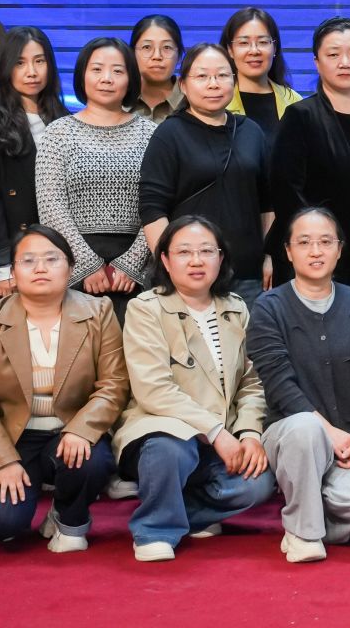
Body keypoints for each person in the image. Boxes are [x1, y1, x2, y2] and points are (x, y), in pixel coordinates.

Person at [112, 216, 273, 562]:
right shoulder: (146, 309)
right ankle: (154, 529)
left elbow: (251, 382)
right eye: (184, 252)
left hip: (222, 438)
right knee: (171, 449)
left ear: (221, 258)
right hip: (163, 433)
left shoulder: (236, 309)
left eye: (206, 251)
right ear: (165, 260)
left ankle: (182, 510)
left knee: (257, 483)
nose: (196, 261)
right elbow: (154, 389)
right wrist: (215, 432)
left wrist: (249, 433)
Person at [0, 224, 128, 553]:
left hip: (69, 432)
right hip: (12, 435)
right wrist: (3, 460)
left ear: (71, 267)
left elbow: (114, 384)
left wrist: (82, 429)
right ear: (14, 271)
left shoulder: (99, 312)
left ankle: (69, 515)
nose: (40, 268)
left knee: (91, 460)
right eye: (28, 261)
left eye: (52, 259)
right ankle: (20, 490)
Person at [246, 207, 350, 564]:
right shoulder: (268, 307)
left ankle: (313, 517)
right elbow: (280, 386)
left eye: (325, 242)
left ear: (339, 249)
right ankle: (303, 534)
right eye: (304, 242)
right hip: (290, 431)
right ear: (288, 251)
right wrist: (329, 432)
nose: (316, 251)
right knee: (306, 430)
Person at [139, 43, 274, 305]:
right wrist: (171, 266)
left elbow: (267, 204)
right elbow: (152, 208)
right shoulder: (168, 134)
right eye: (202, 76)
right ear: (183, 85)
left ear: (234, 81)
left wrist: (268, 255)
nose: (213, 84)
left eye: (222, 75)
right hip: (189, 274)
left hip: (247, 274)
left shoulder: (251, 131)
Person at [270, 18, 350, 291]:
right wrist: (320, 244)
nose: (345, 63)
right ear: (317, 62)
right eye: (334, 54)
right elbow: (286, 192)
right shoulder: (300, 116)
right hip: (311, 257)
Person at [34, 38, 155, 305]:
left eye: (118, 71)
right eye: (97, 69)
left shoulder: (151, 133)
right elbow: (51, 205)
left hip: (136, 271)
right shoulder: (58, 133)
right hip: (73, 263)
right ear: (82, 76)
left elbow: (159, 204)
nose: (106, 78)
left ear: (131, 79)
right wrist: (86, 264)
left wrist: (132, 263)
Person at [0, 27, 71, 306]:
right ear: (5, 67)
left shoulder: (65, 119)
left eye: (39, 61)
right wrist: (4, 265)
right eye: (20, 63)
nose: (32, 72)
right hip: (13, 253)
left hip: (59, 250)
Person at [222, 7, 302, 143]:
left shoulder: (294, 101)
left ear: (274, 48)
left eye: (263, 42)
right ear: (230, 50)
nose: (254, 51)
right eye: (244, 43)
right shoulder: (218, 101)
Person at [129, 14, 184, 124]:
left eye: (167, 47)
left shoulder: (194, 100)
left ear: (179, 56)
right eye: (147, 47)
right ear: (132, 54)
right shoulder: (117, 99)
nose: (157, 56)